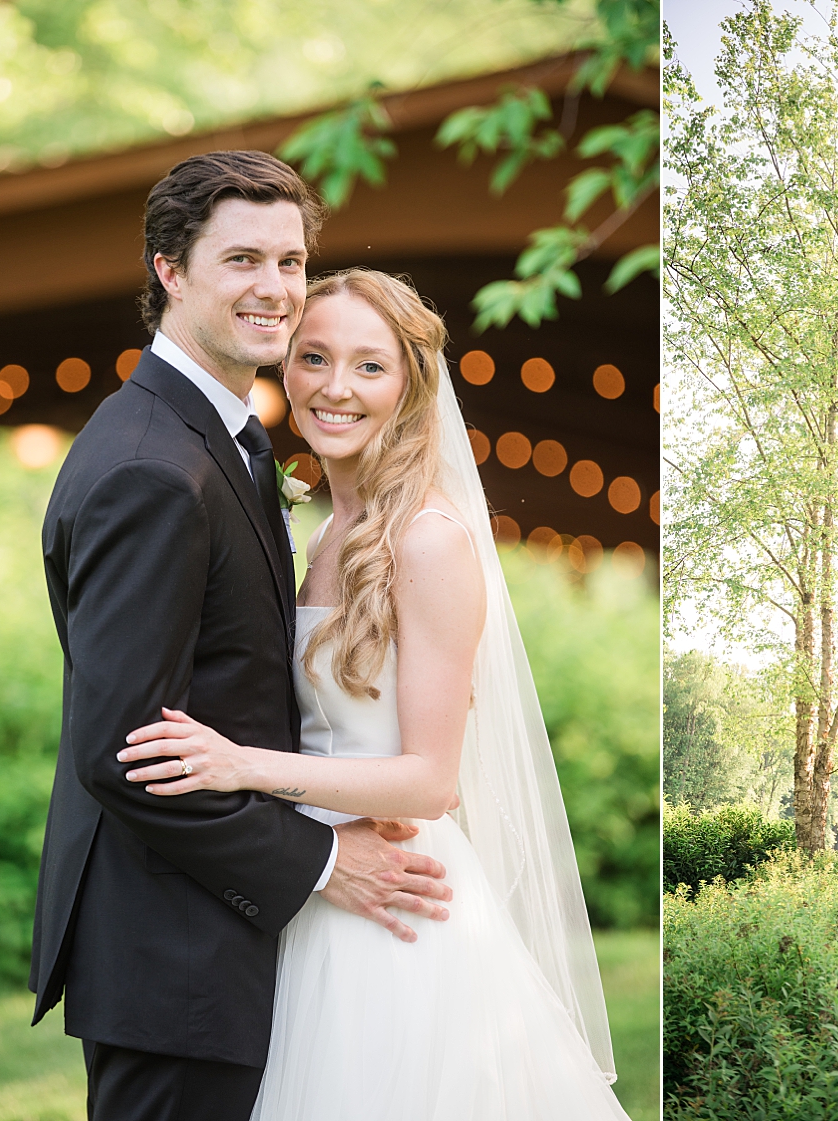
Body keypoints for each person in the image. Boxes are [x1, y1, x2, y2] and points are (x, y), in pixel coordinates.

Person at [118, 268, 630, 1118]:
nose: (334, 387)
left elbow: (430, 779)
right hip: (312, 882)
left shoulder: (428, 541)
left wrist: (240, 764)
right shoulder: (323, 532)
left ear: (410, 385)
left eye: (369, 366)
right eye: (314, 357)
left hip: (395, 900)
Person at [31, 152, 453, 1121]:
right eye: (242, 259)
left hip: (219, 940)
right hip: (174, 953)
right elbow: (124, 751)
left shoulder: (216, 437)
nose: (275, 289)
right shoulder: (153, 466)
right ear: (170, 271)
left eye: (292, 261)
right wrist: (319, 860)